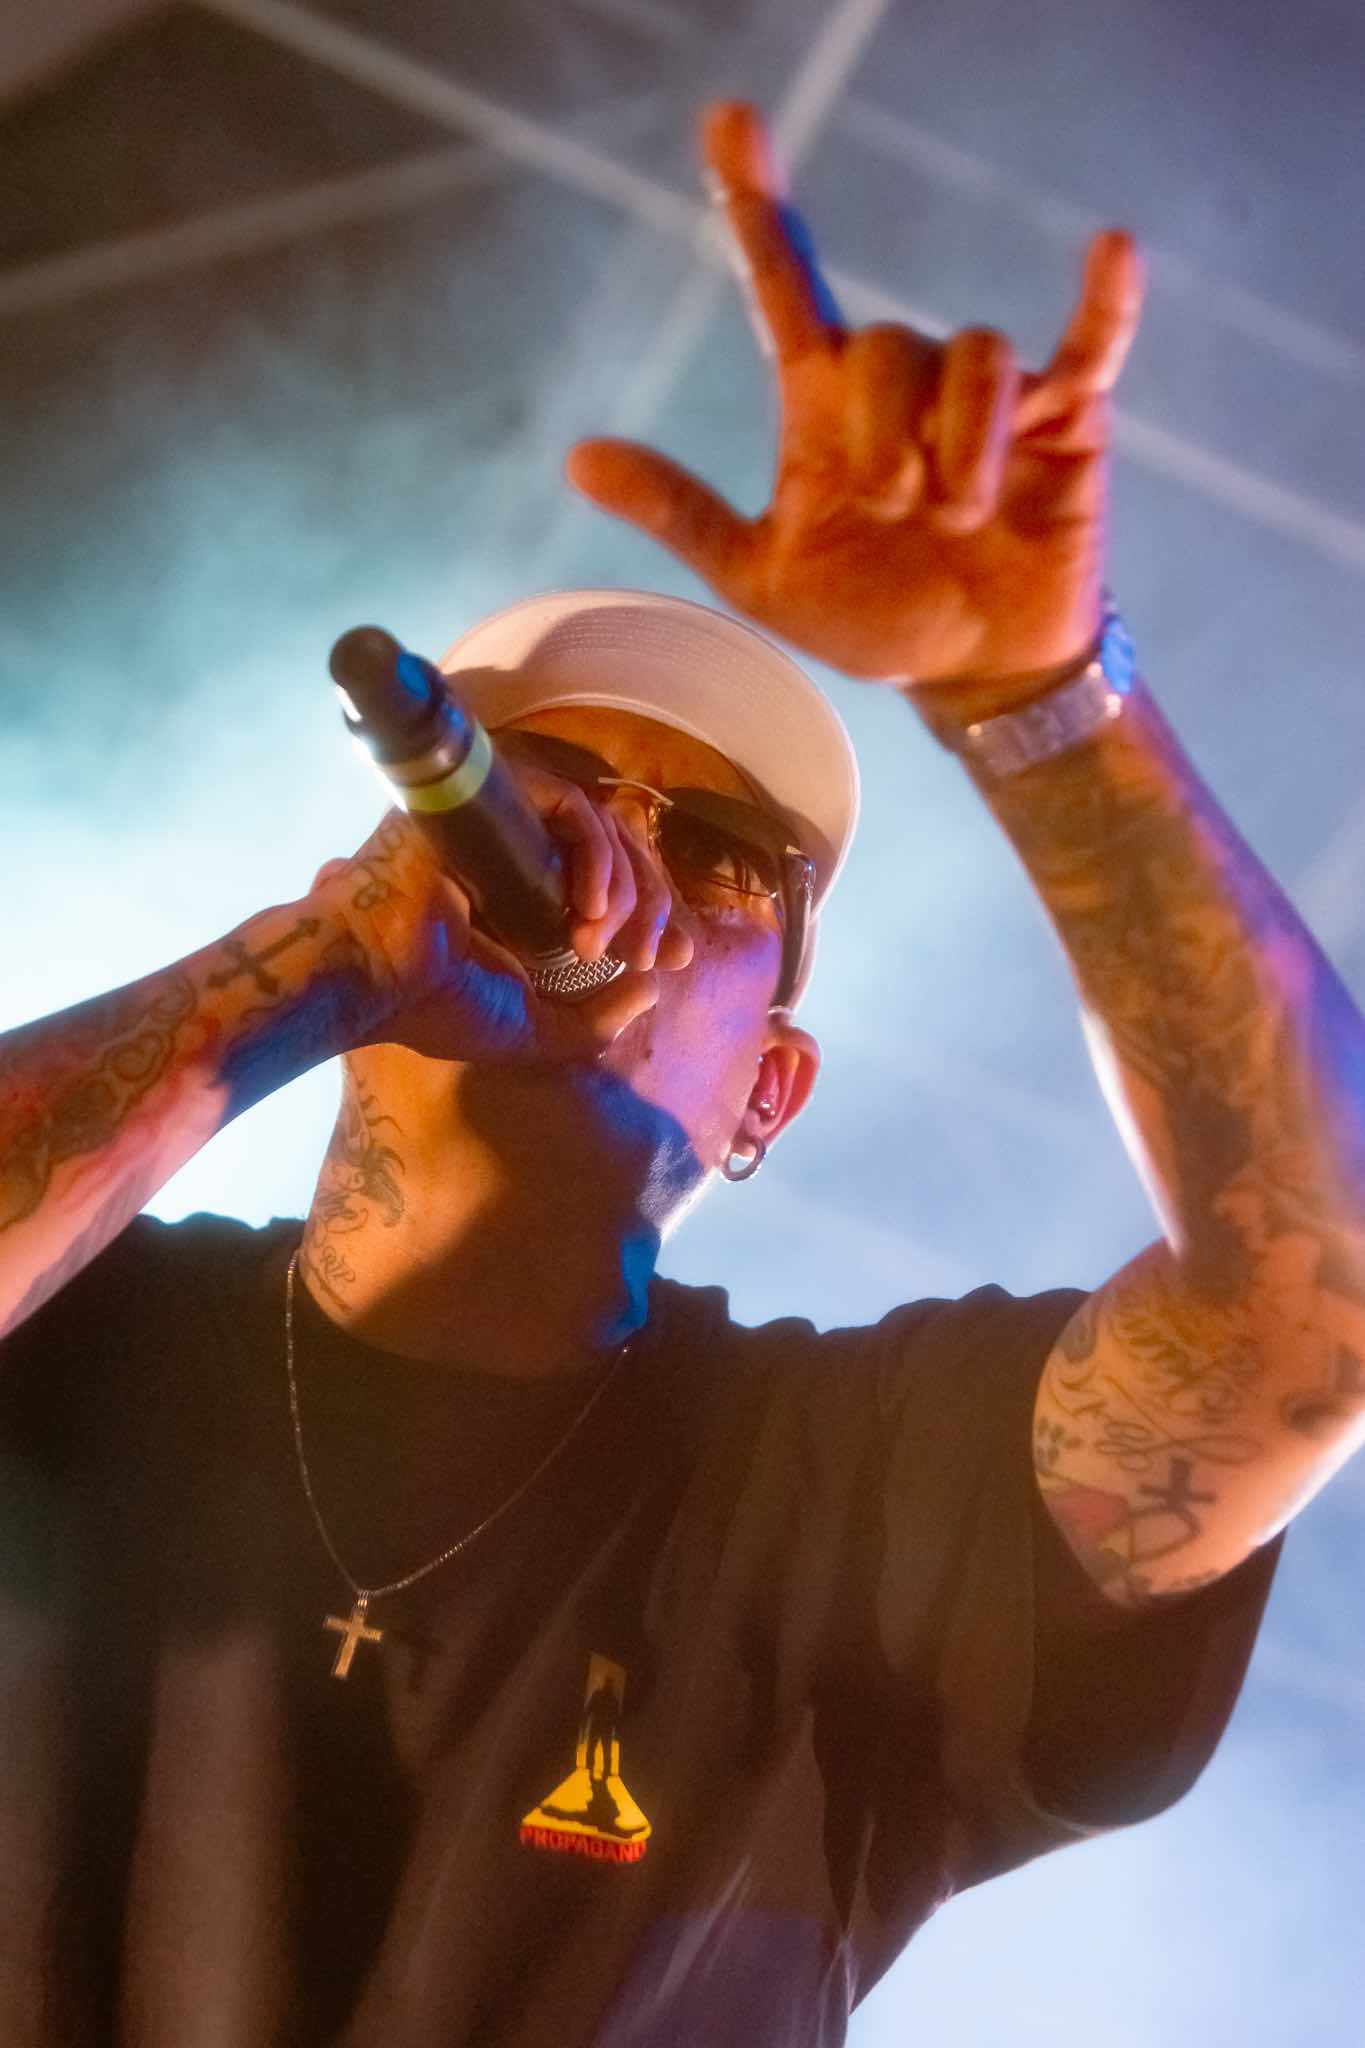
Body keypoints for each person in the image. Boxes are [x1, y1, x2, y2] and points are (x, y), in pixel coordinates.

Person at [1, 98, 1361, 2048]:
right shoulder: (82, 1330)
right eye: (546, 789)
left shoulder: (849, 1496)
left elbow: (1314, 1299)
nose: (613, 860)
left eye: (720, 859)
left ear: (764, 1098)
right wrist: (307, 963)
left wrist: (1033, 696)